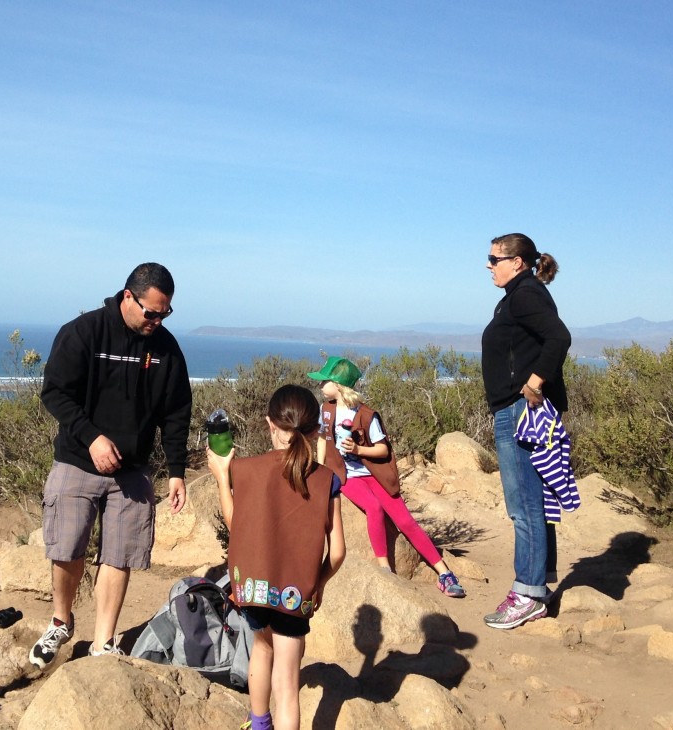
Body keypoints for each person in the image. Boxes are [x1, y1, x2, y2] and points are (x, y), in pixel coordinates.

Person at [29, 262, 192, 668]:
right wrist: (92, 437)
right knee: (67, 546)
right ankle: (61, 621)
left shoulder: (167, 350)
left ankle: (103, 642)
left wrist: (175, 470)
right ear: (127, 297)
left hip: (133, 469)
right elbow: (55, 393)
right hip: (77, 459)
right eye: (151, 312)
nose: (156, 320)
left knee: (120, 554)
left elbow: (177, 413)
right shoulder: (84, 332)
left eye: (164, 313)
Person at [208, 384, 346, 730]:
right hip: (296, 593)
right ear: (315, 431)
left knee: (260, 648)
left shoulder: (248, 469)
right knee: (287, 685)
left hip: (253, 589)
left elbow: (234, 523)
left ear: (270, 424)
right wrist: (320, 584)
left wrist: (222, 477)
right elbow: (338, 551)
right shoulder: (326, 478)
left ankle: (258, 723)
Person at [308, 356, 466, 598]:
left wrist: (358, 450)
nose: (320, 386)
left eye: (324, 381)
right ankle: (385, 568)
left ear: (338, 385)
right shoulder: (325, 410)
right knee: (374, 508)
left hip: (374, 473)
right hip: (346, 475)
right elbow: (321, 439)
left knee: (405, 521)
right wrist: (319, 469)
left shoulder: (367, 415)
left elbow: (383, 449)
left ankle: (443, 572)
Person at [480, 233, 571, 629]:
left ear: (517, 261)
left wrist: (534, 383)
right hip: (517, 409)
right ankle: (538, 586)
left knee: (524, 506)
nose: (488, 265)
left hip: (520, 410)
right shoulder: (518, 294)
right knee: (534, 503)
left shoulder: (525, 294)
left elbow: (559, 337)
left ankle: (529, 593)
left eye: (493, 258)